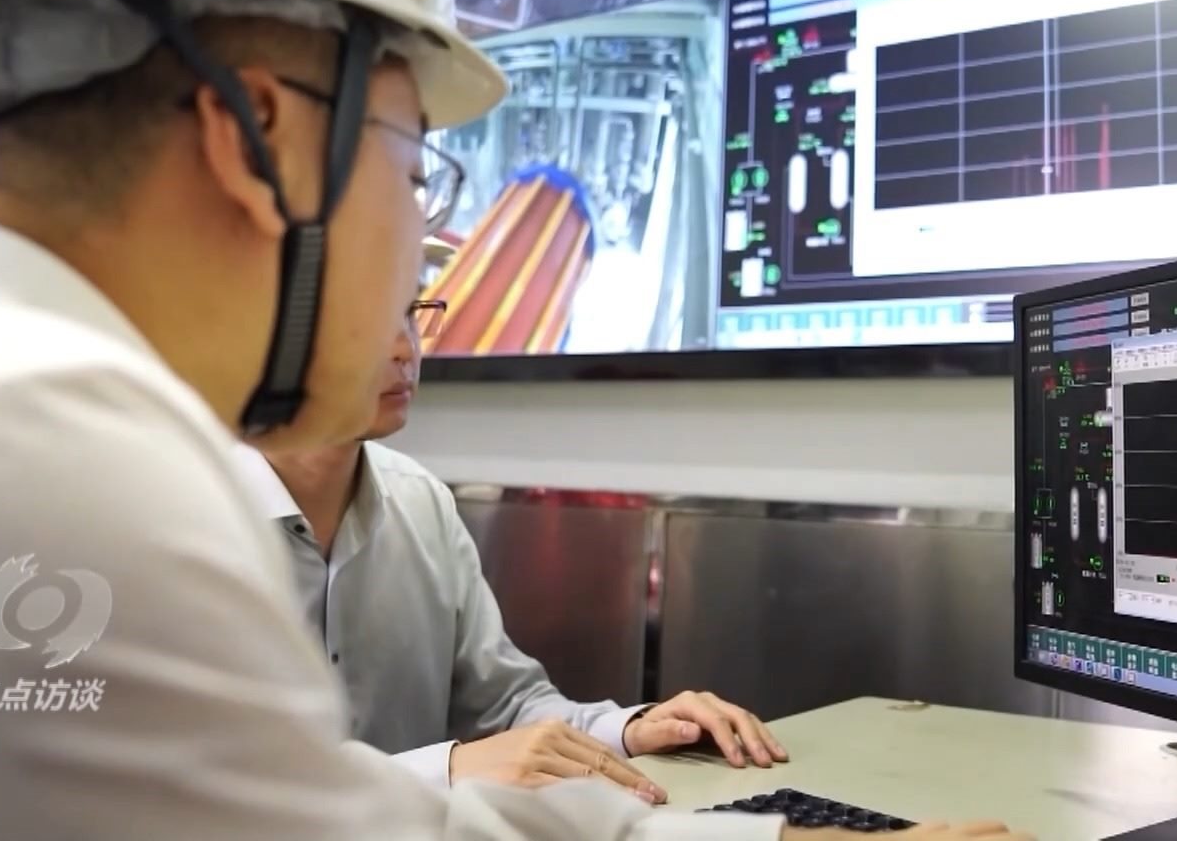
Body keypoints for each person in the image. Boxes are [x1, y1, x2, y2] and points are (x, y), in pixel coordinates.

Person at [0, 0, 1025, 839]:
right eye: (413, 162)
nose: (423, 253)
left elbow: (334, 813)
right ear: (259, 135)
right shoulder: (53, 476)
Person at [235, 301, 785, 797]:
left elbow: (506, 705)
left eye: (410, 313)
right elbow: (211, 793)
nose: (406, 348)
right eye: (373, 317)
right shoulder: (197, 516)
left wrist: (631, 730)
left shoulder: (421, 501)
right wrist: (450, 768)